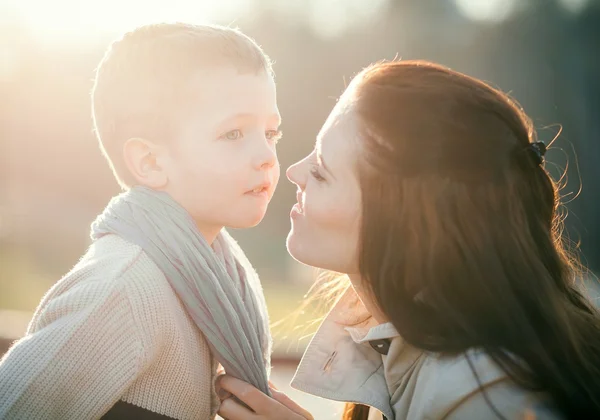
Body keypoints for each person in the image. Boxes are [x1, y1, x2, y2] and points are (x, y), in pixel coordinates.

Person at [216, 60, 600, 420]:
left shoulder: (485, 396)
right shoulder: (427, 352)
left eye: (321, 172)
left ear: (405, 222)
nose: (294, 173)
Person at [0, 22, 281, 419]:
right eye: (233, 133)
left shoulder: (228, 276)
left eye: (272, 132)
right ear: (150, 162)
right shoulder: (122, 288)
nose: (267, 155)